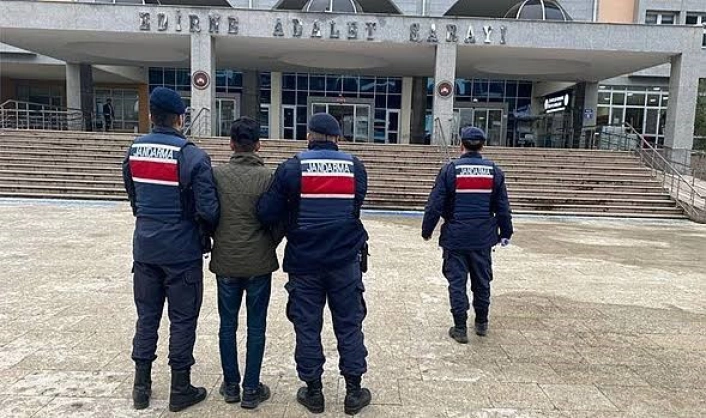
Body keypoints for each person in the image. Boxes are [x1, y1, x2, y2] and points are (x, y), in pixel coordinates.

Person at [257, 113, 371, 416]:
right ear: (337, 138)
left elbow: (267, 213)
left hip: (304, 261)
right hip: (345, 261)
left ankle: (314, 391)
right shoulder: (355, 167)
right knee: (349, 324)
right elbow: (355, 207)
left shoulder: (292, 167)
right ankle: (354, 392)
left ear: (309, 136)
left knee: (307, 326)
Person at [122, 87, 219, 412]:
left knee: (146, 317)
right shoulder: (192, 155)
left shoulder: (135, 150)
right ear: (180, 118)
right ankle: (180, 388)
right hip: (182, 252)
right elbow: (208, 209)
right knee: (182, 320)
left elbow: (133, 195)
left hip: (145, 249)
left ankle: (141, 387)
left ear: (152, 116)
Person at [209, 117, 282, 410]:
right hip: (258, 262)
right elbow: (279, 219)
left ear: (231, 143)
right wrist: (270, 243)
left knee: (227, 324)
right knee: (256, 326)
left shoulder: (216, 175)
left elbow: (208, 212)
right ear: (258, 145)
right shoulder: (269, 177)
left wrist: (217, 237)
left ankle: (230, 386)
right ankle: (251, 389)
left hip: (226, 260)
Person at [421, 126, 513, 344]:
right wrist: (506, 232)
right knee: (482, 281)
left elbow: (435, 204)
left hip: (455, 237)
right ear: (482, 146)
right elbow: (503, 207)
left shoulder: (450, 170)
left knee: (457, 282)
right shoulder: (494, 171)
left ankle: (460, 328)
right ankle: (481, 323)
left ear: (460, 145)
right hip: (483, 238)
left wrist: (427, 231)